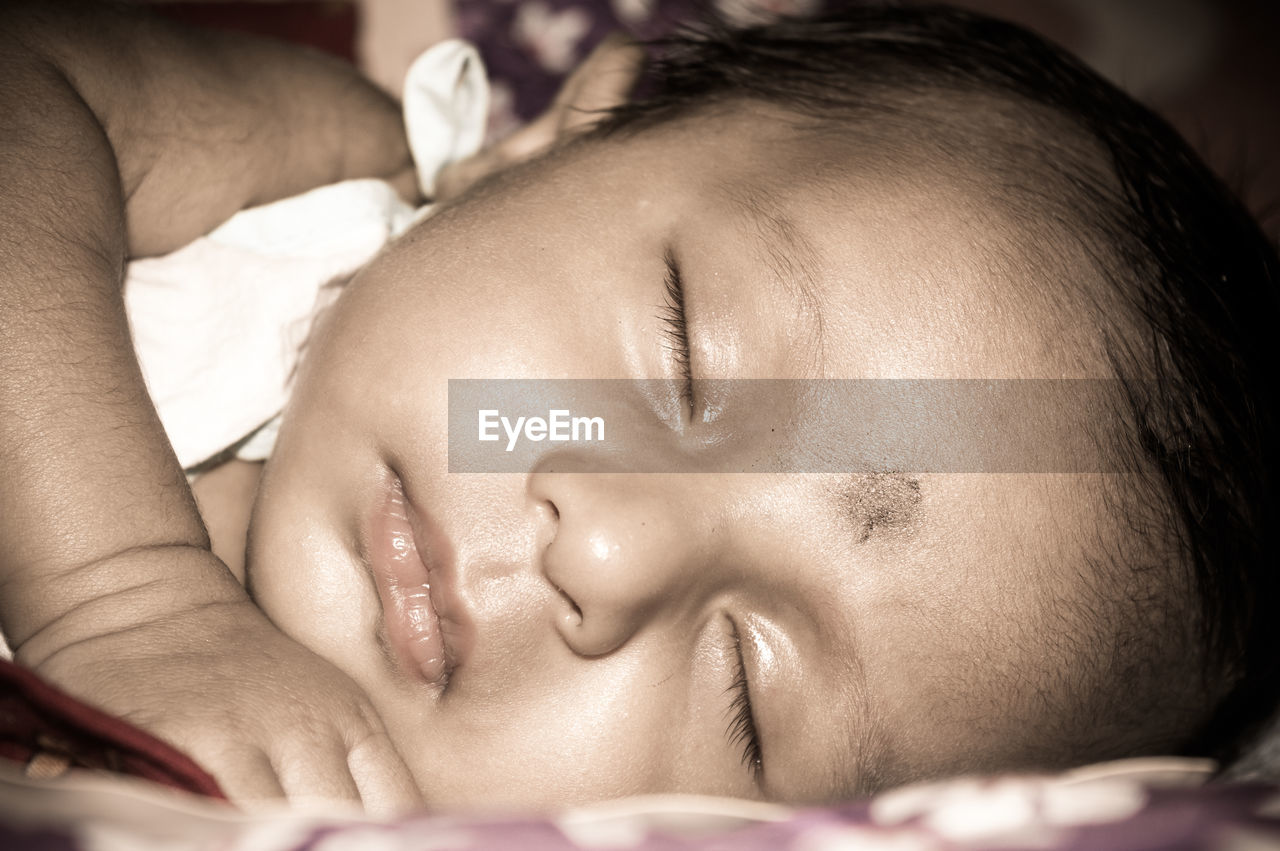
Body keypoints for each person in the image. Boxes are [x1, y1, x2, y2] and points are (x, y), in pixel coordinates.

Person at [2, 0, 1277, 816]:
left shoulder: (326, 813)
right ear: (565, 137)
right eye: (684, 362)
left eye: (745, 691)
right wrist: (124, 590)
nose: (607, 551)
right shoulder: (312, 173)